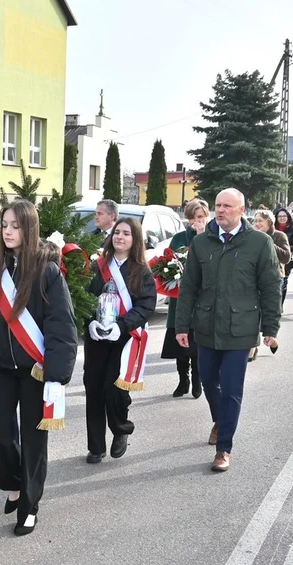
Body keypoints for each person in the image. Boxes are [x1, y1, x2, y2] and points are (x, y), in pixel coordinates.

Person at [0, 199, 77, 535]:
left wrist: (57, 376)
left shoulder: (47, 271)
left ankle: (28, 505)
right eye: (5, 225)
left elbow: (62, 325)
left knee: (34, 441)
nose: (9, 231)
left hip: (35, 371)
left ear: (29, 229)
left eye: (16, 225)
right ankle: (14, 482)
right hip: (1, 366)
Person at [175, 188, 281, 472]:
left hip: (241, 328)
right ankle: (221, 421)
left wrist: (271, 327)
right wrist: (181, 325)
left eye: (226, 206)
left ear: (241, 210)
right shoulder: (202, 243)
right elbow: (189, 288)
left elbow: (271, 288)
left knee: (232, 389)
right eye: (218, 205)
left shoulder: (259, 243)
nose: (220, 210)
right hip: (206, 326)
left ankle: (224, 448)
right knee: (209, 381)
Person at [84, 217, 156, 462]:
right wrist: (90, 322)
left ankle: (120, 429)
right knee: (94, 389)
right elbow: (84, 299)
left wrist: (122, 326)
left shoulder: (142, 270)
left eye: (126, 233)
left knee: (114, 391)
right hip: (96, 338)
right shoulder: (97, 266)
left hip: (124, 339)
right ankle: (95, 446)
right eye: (117, 232)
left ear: (134, 239)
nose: (120, 237)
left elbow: (146, 306)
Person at [161, 199, 207, 399]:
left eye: (200, 217)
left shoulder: (210, 238)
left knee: (197, 344)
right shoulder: (179, 238)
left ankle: (198, 381)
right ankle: (183, 380)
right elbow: (166, 262)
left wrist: (201, 236)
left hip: (201, 299)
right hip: (179, 298)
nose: (196, 222)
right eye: (192, 218)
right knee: (180, 343)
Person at [249, 210, 289, 361]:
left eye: (261, 221)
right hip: (255, 278)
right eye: (256, 221)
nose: (257, 224)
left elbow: (286, 256)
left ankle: (271, 337)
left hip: (274, 278)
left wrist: (269, 243)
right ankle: (252, 347)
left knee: (269, 311)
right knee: (254, 311)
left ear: (270, 223)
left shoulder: (279, 236)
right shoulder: (252, 237)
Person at [273, 207, 293, 304]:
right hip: (273, 259)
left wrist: (284, 248)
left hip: (286, 260)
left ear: (288, 217)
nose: (282, 218)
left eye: (284, 216)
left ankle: (281, 304)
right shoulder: (272, 229)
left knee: (283, 283)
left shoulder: (292, 230)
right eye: (279, 216)